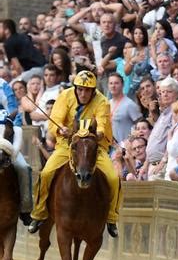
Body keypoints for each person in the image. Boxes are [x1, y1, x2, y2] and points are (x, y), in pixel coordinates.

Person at [28, 71, 122, 238]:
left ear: (93, 91)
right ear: (75, 88)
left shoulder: (102, 101)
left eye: (87, 90)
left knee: (114, 178)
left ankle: (112, 218)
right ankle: (39, 211)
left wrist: (98, 133)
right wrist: (60, 129)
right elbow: (54, 121)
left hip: (94, 147)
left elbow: (102, 123)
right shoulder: (64, 96)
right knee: (46, 173)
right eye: (80, 89)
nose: (83, 93)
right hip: (67, 146)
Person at [0, 109, 33, 226]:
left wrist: (6, 159)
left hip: (11, 153)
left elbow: (15, 150)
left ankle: (26, 209)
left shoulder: (17, 130)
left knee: (24, 167)